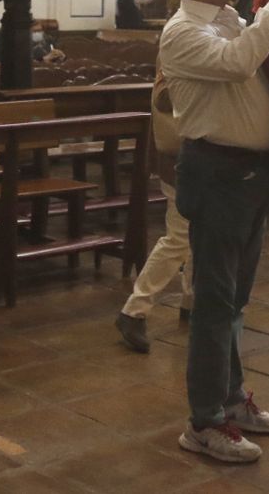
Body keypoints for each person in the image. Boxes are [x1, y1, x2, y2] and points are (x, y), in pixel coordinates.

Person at [159, 0, 269, 463]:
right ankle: (203, 421)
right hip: (217, 175)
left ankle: (230, 398)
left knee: (234, 302)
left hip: (250, 175)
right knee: (214, 303)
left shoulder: (226, 17)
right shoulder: (181, 32)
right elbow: (240, 61)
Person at [114, 70, 192, 353]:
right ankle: (134, 310)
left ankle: (192, 301)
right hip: (180, 161)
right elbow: (163, 99)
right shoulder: (177, 51)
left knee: (199, 235)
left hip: (196, 157)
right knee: (179, 238)